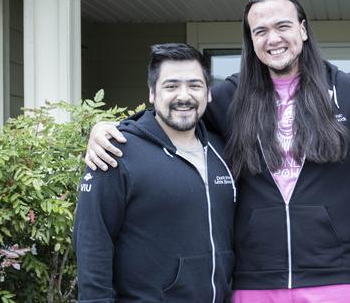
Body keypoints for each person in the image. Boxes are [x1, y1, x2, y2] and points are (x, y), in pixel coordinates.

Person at [84, 0, 350, 303]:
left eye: (282, 26)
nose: (273, 38)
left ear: (302, 29)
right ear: (251, 39)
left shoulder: (349, 94)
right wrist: (111, 127)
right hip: (253, 283)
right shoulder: (227, 97)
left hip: (337, 281)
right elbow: (175, 112)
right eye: (260, 30)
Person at [73, 43, 236, 302]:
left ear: (209, 94)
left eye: (195, 86)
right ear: (152, 93)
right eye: (171, 86)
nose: (184, 96)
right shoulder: (116, 151)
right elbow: (93, 239)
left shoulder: (223, 151)